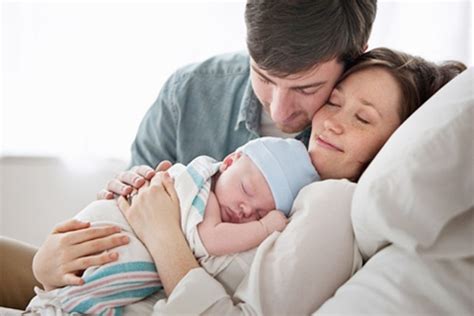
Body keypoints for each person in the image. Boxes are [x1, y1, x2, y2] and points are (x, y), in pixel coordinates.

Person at [1, 0, 378, 310]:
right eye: (263, 77)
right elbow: (125, 228)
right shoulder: (190, 94)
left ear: (356, 58)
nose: (280, 112)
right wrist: (49, 265)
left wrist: (166, 235)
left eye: (307, 88)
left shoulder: (363, 141)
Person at [32, 49, 467, 315]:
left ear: (395, 144)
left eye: (362, 118)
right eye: (334, 101)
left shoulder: (331, 204)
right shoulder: (297, 180)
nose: (331, 122)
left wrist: (165, 233)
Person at [26, 138, 318, 315]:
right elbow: (210, 240)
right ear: (229, 162)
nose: (245, 209)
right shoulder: (202, 188)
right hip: (99, 236)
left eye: (258, 212)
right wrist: (264, 227)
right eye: (246, 189)